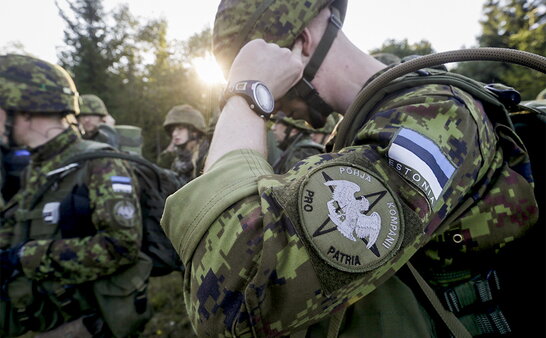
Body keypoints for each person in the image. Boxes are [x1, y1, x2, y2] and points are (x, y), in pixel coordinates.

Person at [161, 1, 539, 336]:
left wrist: (248, 91)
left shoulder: (434, 116)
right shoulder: (361, 131)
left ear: (302, 44)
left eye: (272, 88)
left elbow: (232, 298)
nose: (274, 107)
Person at [0, 54, 151, 337]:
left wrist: (26, 257)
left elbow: (121, 246)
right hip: (43, 318)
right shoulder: (35, 167)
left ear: (26, 109)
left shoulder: (100, 164)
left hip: (86, 324)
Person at [157, 104, 210, 185]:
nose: (174, 134)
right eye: (173, 130)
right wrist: (169, 151)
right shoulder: (177, 158)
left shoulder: (205, 158)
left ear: (194, 132)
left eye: (180, 129)